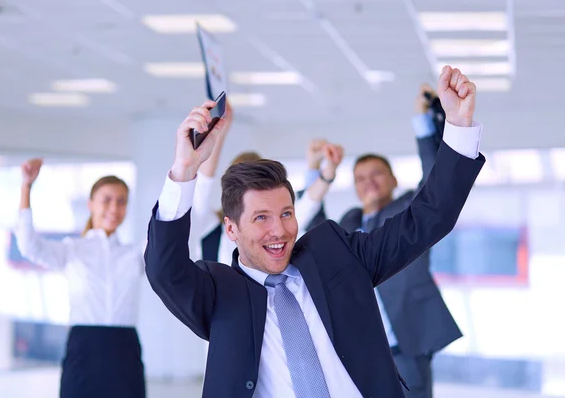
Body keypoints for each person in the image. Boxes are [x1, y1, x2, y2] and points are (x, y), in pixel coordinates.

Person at [145, 66, 485, 397]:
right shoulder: (219, 293)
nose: (279, 230)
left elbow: (428, 219)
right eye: (261, 218)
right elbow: (165, 268)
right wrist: (185, 169)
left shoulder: (337, 254)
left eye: (286, 213)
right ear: (231, 229)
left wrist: (457, 126)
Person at [331, 84, 461, 398]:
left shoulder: (406, 208)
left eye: (376, 174)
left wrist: (422, 120)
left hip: (406, 341)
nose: (369, 182)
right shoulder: (347, 221)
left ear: (393, 180)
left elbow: (435, 176)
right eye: (360, 178)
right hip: (361, 348)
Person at [14, 159, 145, 398]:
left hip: (124, 350)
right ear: (90, 204)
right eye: (106, 200)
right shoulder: (72, 249)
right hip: (84, 348)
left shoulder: (135, 253)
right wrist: (26, 188)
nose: (114, 209)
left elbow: (171, 237)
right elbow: (28, 245)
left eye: (121, 201)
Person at [190, 103, 342, 264]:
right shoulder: (210, 225)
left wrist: (328, 171)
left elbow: (309, 204)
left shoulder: (274, 225)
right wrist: (218, 132)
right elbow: (203, 182)